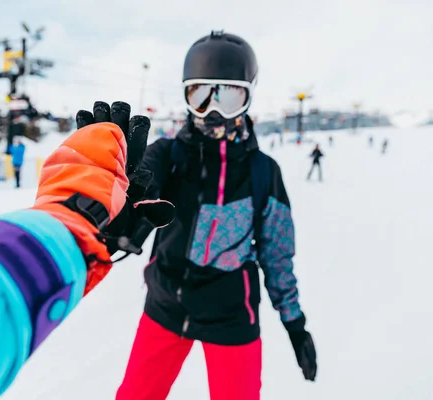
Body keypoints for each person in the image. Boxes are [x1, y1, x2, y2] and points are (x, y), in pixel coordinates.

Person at [0, 102, 174, 400]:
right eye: (199, 93)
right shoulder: (173, 151)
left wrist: (76, 217)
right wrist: (80, 219)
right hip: (165, 301)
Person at [116, 31, 317, 400]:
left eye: (227, 96)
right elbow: (130, 194)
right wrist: (119, 203)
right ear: (186, 96)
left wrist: (295, 324)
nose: (213, 110)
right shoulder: (166, 157)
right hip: (165, 305)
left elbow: (277, 255)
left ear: (248, 97)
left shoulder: (262, 172)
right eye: (201, 95)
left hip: (231, 316)